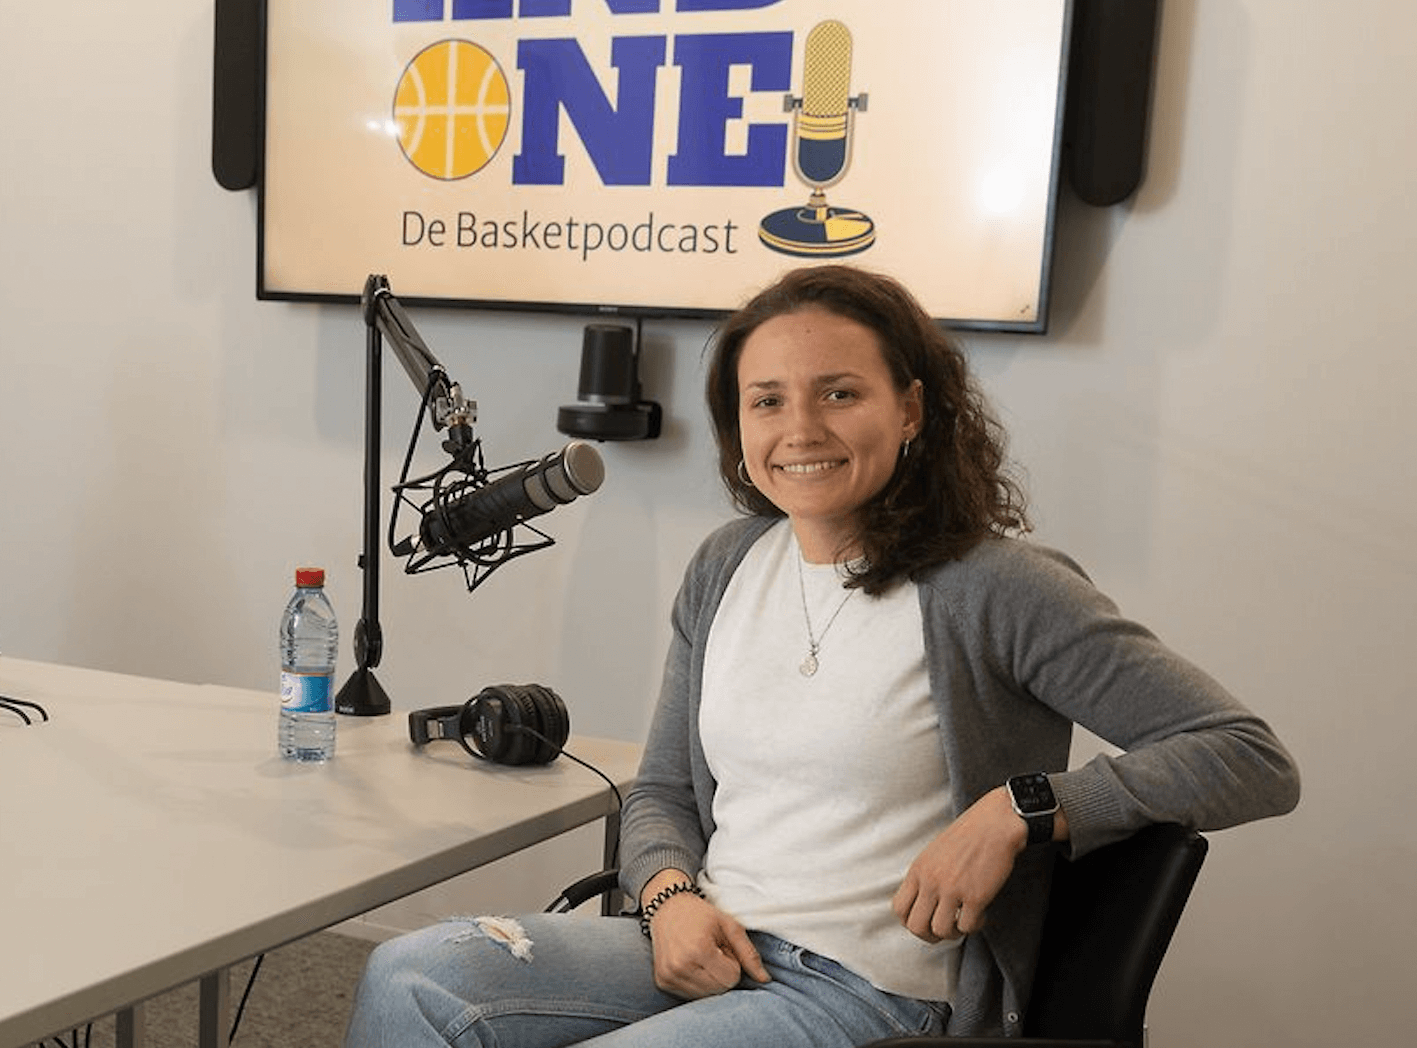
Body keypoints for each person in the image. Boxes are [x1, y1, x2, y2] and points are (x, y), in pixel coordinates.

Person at [344, 264, 1301, 1047]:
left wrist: (1023, 809)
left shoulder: (999, 589)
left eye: (840, 393)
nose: (800, 429)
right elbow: (664, 789)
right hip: (715, 938)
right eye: (767, 401)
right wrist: (669, 898)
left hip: (871, 991)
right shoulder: (726, 564)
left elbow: (1248, 755)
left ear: (911, 409)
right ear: (740, 427)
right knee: (412, 976)